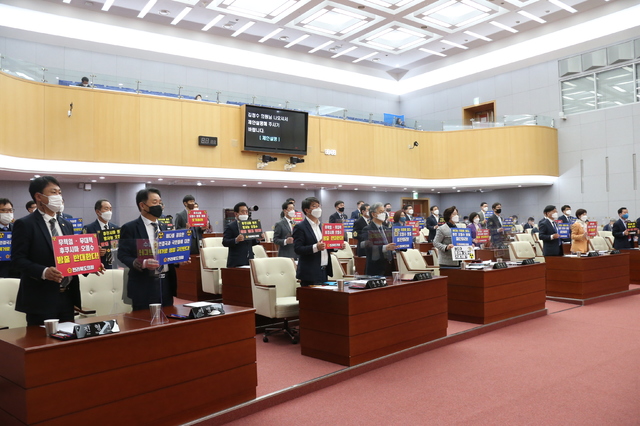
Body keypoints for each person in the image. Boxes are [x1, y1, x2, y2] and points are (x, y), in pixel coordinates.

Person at [12, 176, 86, 325]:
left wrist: (91, 263)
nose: (58, 197)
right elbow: (18, 260)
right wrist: (44, 272)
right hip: (40, 299)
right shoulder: (25, 224)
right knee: (43, 344)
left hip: (68, 297)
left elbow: (71, 256)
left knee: (69, 343)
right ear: (39, 197)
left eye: (60, 192)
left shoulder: (67, 224)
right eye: (53, 192)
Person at [118, 187, 180, 310]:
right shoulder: (130, 228)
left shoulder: (165, 227)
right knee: (145, 323)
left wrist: (178, 259)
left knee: (168, 321)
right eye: (155, 202)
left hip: (166, 283)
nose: (160, 206)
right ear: (143, 205)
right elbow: (122, 255)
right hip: (143, 285)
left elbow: (169, 253)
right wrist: (143, 263)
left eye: (160, 202)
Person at [293, 197, 341, 286]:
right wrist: (316, 247)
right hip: (309, 273)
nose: (318, 209)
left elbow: (325, 246)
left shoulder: (322, 226)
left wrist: (337, 245)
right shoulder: (300, 227)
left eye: (319, 206)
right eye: (315, 206)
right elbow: (298, 249)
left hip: (324, 270)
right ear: (306, 210)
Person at [362, 203, 396, 276]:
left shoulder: (387, 229)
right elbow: (368, 247)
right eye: (381, 212)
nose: (383, 214)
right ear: (373, 214)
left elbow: (392, 244)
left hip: (389, 266)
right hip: (375, 268)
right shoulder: (367, 229)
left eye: (384, 212)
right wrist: (385, 247)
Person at [83, 199, 118, 269]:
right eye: (106, 209)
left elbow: (119, 246)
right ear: (98, 212)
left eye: (110, 209)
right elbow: (83, 248)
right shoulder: (88, 228)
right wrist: (95, 251)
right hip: (97, 267)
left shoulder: (115, 228)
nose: (109, 212)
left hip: (114, 266)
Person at [223, 202, 260, 267]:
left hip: (249, 260)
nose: (245, 214)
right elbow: (225, 242)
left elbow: (250, 242)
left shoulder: (250, 225)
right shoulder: (230, 226)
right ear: (236, 214)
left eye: (246, 212)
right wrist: (236, 240)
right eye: (242, 212)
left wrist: (258, 239)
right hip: (236, 262)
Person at [0, 198, 18, 278]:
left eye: (10, 210)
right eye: (4, 210)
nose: (8, 213)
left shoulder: (17, 228)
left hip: (14, 270)